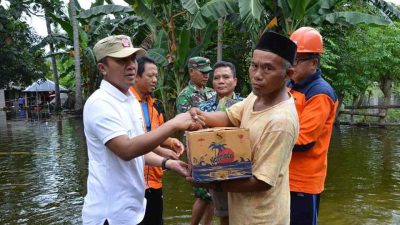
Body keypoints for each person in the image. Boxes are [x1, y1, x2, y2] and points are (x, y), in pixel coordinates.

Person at [82, 35, 199, 225]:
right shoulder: (100, 103)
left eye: (132, 59)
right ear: (102, 68)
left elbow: (139, 149)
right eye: (121, 60)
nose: (130, 65)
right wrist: (173, 124)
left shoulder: (130, 100)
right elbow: (127, 150)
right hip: (110, 215)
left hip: (134, 209)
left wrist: (168, 163)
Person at [189, 31, 299, 225]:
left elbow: (261, 181)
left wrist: (212, 183)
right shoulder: (257, 96)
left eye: (267, 69)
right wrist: (199, 116)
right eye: (254, 66)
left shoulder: (280, 122)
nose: (257, 75)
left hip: (263, 218)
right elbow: (229, 117)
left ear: (288, 75)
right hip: (242, 213)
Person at [287, 27, 339, 225]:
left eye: (297, 60)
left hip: (303, 181)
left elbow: (304, 141)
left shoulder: (320, 93)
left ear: (314, 63)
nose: (292, 65)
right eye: (291, 59)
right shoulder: (290, 85)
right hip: (284, 176)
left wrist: (263, 138)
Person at [130, 56, 185, 225]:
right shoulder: (126, 105)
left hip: (154, 178)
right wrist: (163, 153)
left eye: (156, 76)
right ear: (137, 76)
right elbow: (133, 142)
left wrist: (170, 142)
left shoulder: (154, 105)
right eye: (150, 76)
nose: (155, 80)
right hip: (134, 180)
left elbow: (155, 135)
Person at [199, 61, 243, 225]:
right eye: (216, 78)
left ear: (235, 81)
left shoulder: (246, 105)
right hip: (215, 168)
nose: (221, 81)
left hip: (242, 168)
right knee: (224, 214)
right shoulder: (203, 108)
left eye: (226, 77)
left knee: (246, 211)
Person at [176, 56, 215, 225]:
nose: (206, 76)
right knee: (202, 193)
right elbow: (185, 126)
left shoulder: (212, 92)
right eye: (202, 72)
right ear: (191, 72)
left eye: (208, 72)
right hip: (197, 148)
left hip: (214, 146)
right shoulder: (185, 96)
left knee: (213, 192)